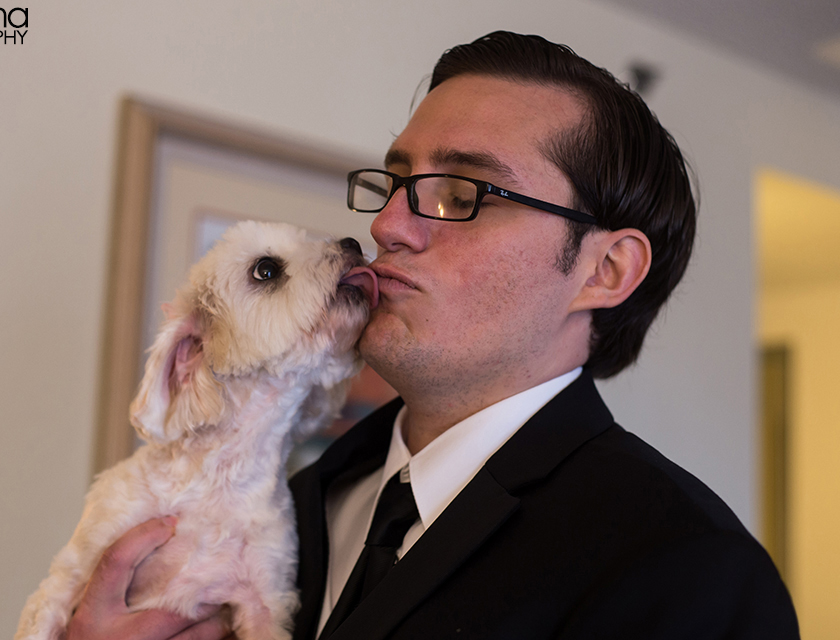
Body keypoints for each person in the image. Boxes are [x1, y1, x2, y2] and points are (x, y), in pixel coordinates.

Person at [64, 32, 799, 640]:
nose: (385, 226)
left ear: (605, 270)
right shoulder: (296, 502)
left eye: (462, 193)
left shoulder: (691, 571)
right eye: (395, 181)